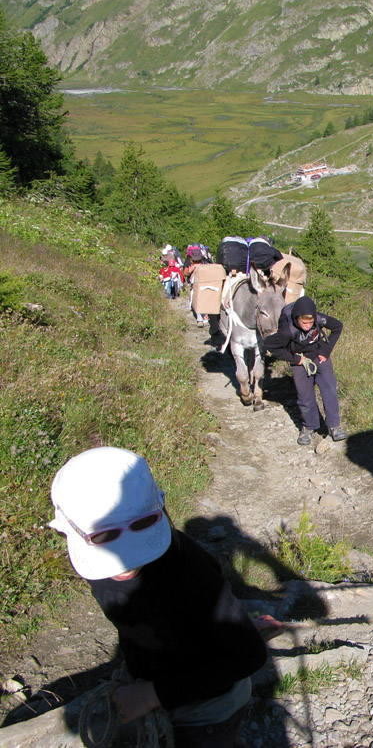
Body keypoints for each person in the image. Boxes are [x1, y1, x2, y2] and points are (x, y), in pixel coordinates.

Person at [49, 447, 281, 746]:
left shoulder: (188, 570)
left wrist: (152, 694)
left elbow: (248, 654)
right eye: (104, 537)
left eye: (142, 526)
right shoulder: (96, 567)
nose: (127, 559)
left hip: (207, 713)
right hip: (165, 682)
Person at [263, 295, 347, 445]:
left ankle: (334, 426)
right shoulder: (287, 331)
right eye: (304, 322)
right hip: (299, 358)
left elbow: (337, 326)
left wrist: (326, 351)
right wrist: (296, 360)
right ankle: (308, 427)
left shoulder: (319, 319)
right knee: (305, 395)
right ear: (296, 318)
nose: (308, 325)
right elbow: (270, 345)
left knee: (329, 387)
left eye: (310, 322)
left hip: (319, 354)